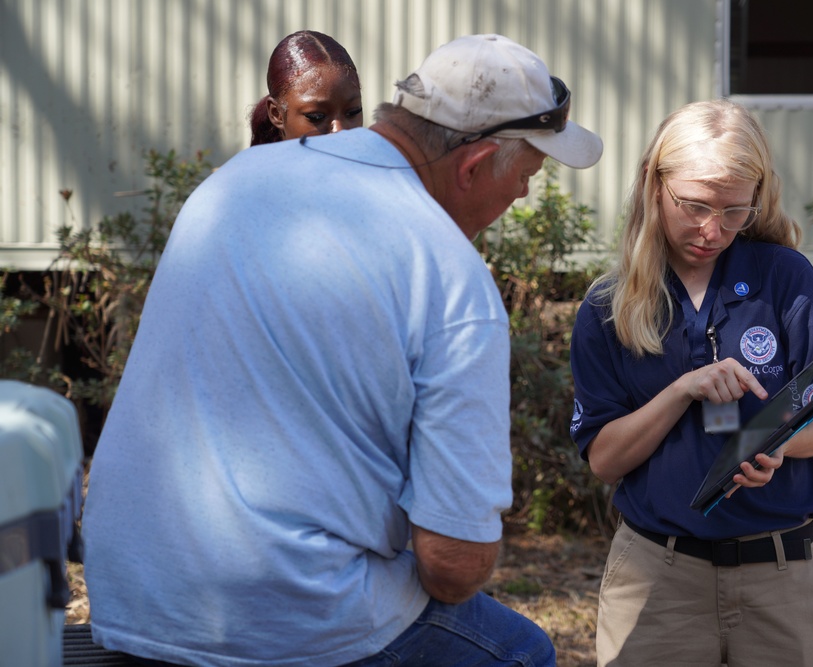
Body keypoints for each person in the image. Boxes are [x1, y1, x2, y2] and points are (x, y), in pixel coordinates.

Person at [83, 34, 602, 667]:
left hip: (128, 593)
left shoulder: (237, 179)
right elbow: (453, 566)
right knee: (523, 651)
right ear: (473, 166)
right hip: (283, 620)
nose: (521, 195)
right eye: (527, 175)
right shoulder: (449, 275)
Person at [569, 99, 813, 667]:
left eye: (735, 212)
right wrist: (681, 391)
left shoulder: (785, 277)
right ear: (656, 187)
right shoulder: (608, 307)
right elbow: (604, 460)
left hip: (785, 574)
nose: (713, 230)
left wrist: (776, 443)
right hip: (658, 578)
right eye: (695, 206)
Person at [249, 30, 363, 146]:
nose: (339, 131)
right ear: (277, 114)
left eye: (353, 112)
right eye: (317, 117)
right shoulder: (249, 164)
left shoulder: (377, 161)